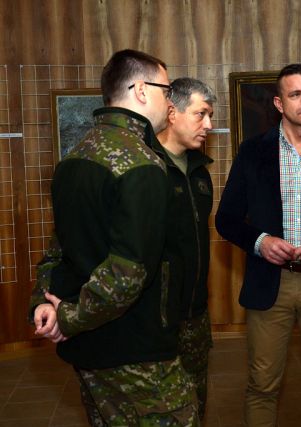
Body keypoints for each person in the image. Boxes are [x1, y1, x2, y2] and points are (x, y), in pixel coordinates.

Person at [29, 49, 199, 426]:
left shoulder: (73, 158)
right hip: (135, 350)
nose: (170, 102)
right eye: (166, 90)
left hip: (88, 348)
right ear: (141, 90)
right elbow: (127, 272)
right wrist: (68, 318)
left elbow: (58, 248)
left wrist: (43, 303)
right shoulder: (142, 164)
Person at [215, 63, 301, 427]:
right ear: (279, 103)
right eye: (296, 94)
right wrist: (260, 242)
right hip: (269, 284)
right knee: (262, 385)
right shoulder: (253, 152)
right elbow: (226, 219)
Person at [154, 77, 215, 420]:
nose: (209, 125)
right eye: (201, 114)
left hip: (195, 316)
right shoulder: (146, 167)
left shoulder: (200, 172)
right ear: (172, 112)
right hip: (156, 320)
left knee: (195, 407)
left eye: (210, 116)